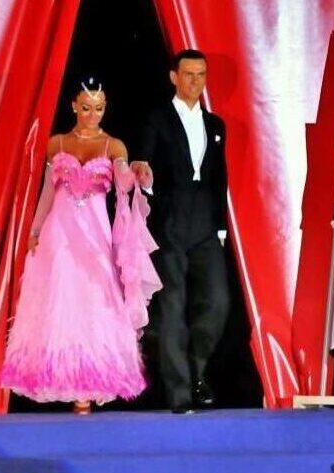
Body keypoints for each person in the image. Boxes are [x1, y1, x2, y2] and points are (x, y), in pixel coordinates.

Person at [0, 77, 160, 415]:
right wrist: (35, 230)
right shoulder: (56, 143)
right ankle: (67, 381)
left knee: (95, 300)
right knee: (61, 300)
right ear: (74, 106)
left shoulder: (112, 145)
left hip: (95, 238)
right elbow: (47, 191)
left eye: (98, 109)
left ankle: (89, 383)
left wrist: (136, 170)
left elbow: (123, 179)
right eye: (86, 108)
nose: (92, 115)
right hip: (59, 234)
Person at [141, 49, 230, 414]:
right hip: (170, 222)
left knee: (218, 301)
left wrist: (221, 227)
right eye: (189, 74)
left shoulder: (216, 125)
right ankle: (179, 394)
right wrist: (143, 177)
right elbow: (143, 162)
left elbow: (219, 178)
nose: (196, 81)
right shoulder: (158, 119)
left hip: (205, 224)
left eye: (201, 75)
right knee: (173, 306)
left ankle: (196, 371)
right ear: (174, 77)